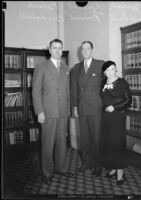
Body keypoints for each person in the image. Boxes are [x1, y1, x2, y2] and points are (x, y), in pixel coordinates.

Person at [32, 39, 73, 184]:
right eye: (54, 48)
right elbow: (36, 91)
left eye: (60, 48)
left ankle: (60, 168)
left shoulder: (65, 67)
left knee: (62, 142)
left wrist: (68, 108)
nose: (57, 50)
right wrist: (40, 112)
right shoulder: (41, 67)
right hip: (48, 112)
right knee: (48, 144)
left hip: (62, 112)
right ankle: (47, 172)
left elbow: (67, 90)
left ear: (62, 50)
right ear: (49, 50)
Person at [72, 41, 104, 175]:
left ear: (92, 50)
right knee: (84, 138)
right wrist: (74, 106)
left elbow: (106, 84)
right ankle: (86, 162)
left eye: (87, 48)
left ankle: (98, 165)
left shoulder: (100, 64)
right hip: (81, 107)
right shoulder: (76, 67)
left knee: (96, 138)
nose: (85, 51)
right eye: (83, 49)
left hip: (96, 107)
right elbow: (74, 89)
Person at [98, 60, 132, 185]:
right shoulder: (103, 82)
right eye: (107, 70)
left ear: (116, 69)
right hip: (106, 117)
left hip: (117, 117)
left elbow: (128, 100)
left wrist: (115, 107)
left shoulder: (121, 82)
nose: (110, 72)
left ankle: (120, 173)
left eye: (112, 69)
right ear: (104, 72)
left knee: (117, 144)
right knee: (108, 143)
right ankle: (112, 167)